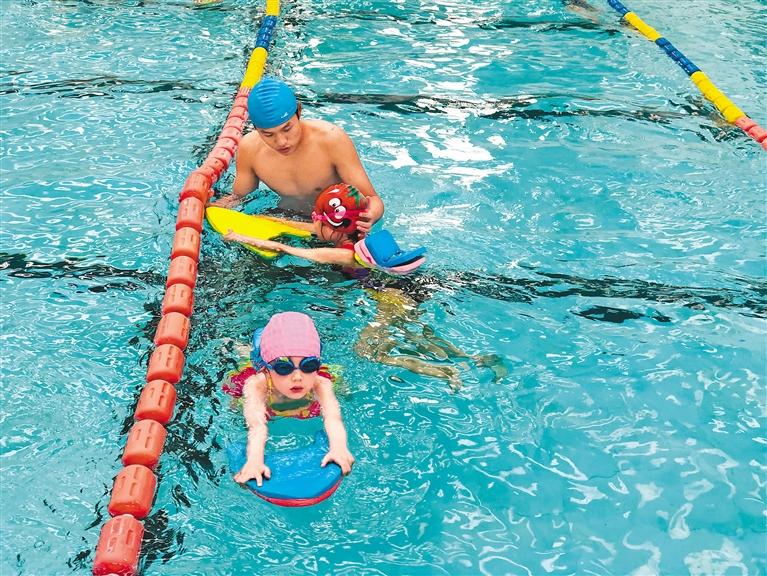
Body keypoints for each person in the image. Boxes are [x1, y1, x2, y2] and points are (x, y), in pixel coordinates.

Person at [213, 77, 384, 235]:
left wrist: (369, 216)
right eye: (268, 134)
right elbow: (240, 198)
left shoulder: (331, 140)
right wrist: (210, 204)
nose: (281, 142)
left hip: (334, 227)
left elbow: (373, 199)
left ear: (299, 112)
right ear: (256, 128)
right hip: (285, 219)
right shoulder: (249, 149)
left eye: (287, 129)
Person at [225, 312, 355, 486]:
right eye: (283, 368)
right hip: (264, 388)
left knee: (344, 390)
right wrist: (254, 461)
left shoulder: (321, 383)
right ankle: (236, 346)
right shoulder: (257, 384)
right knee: (235, 405)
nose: (297, 377)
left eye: (309, 365)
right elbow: (256, 425)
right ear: (267, 368)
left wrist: (339, 448)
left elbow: (333, 418)